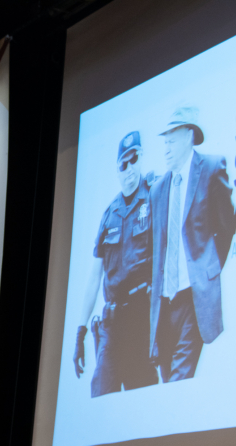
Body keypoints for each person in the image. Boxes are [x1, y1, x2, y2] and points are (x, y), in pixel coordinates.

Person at [148, 106, 236, 382]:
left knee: (179, 379)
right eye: (164, 142)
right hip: (163, 303)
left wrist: (207, 269)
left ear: (188, 136)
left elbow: (227, 227)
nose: (166, 149)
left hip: (193, 296)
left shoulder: (211, 168)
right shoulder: (158, 189)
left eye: (171, 141)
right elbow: (157, 248)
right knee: (166, 383)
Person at [73, 131, 159, 397]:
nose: (129, 168)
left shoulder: (155, 196)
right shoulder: (109, 214)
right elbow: (94, 276)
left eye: (134, 159)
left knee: (143, 406)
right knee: (100, 396)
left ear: (141, 157)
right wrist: (81, 330)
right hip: (111, 325)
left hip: (142, 322)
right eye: (124, 163)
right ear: (117, 169)